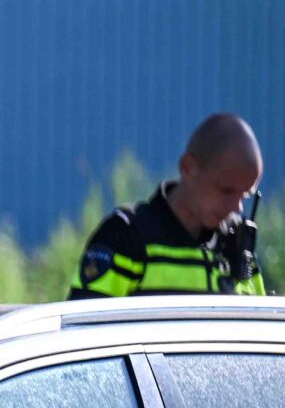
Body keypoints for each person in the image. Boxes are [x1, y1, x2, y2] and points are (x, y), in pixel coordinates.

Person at [69, 112, 270, 300]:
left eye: (245, 195)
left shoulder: (237, 244)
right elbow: (85, 330)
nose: (237, 208)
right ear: (187, 167)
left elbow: (258, 329)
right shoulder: (126, 236)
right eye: (225, 191)